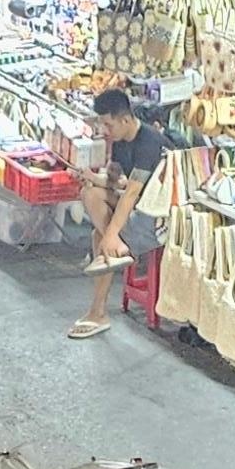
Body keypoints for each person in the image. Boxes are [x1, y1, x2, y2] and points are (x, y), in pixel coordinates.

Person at [69, 89, 170, 339]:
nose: (105, 130)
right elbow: (117, 183)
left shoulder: (150, 141)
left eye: (108, 124)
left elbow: (133, 193)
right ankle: (114, 253)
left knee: (99, 238)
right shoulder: (120, 142)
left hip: (158, 216)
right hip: (137, 206)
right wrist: (94, 177)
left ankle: (98, 310)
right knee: (89, 192)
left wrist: (111, 234)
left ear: (125, 120)